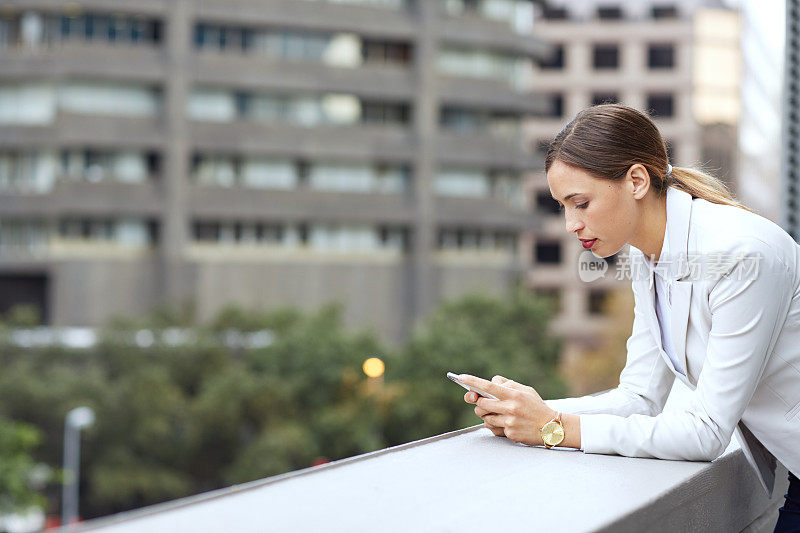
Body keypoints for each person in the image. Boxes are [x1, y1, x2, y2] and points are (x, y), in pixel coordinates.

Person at [459, 104, 800, 532]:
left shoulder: (741, 255)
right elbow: (639, 396)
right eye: (563, 206)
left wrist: (554, 428)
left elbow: (706, 432)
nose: (570, 224)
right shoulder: (648, 259)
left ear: (637, 180)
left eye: (580, 203)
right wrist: (526, 412)